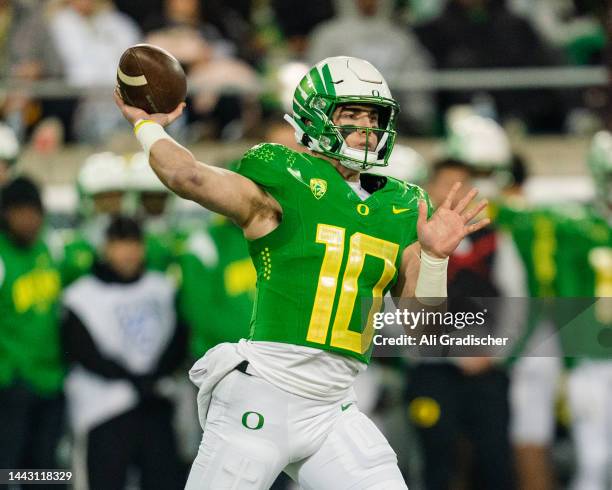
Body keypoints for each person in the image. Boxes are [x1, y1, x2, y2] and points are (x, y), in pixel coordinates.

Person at [115, 55, 489, 489]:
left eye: (374, 115)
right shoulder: (285, 175)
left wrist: (435, 257)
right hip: (265, 392)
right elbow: (188, 177)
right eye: (351, 113)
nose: (367, 127)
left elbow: (425, 329)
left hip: (332, 407)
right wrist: (147, 125)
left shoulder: (403, 204)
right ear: (315, 115)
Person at [62, 215, 186, 490]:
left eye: (133, 243)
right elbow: (83, 352)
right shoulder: (80, 296)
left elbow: (179, 337)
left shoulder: (161, 287)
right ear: (105, 248)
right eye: (119, 243)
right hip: (105, 409)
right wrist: (131, 379)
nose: (128, 252)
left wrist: (153, 377)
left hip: (156, 400)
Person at [0, 177, 65, 485]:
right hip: (11, 383)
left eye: (34, 211)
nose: (29, 220)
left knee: (46, 472)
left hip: (50, 381)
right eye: (20, 212)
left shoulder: (48, 249)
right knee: (9, 469)